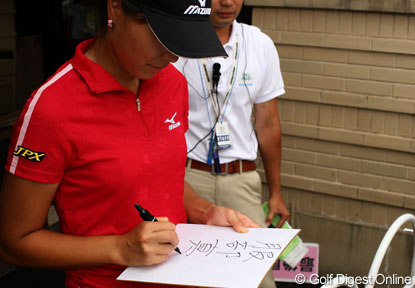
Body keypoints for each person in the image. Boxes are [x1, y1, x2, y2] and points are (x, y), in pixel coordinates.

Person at [0, 1, 261, 288]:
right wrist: (120, 248)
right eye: (161, 38)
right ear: (114, 9)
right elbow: (15, 243)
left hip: (181, 275)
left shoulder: (172, 83)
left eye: (180, 43)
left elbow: (161, 177)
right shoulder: (52, 108)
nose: (171, 57)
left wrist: (203, 211)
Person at [173, 0, 291, 287]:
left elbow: (268, 123)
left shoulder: (259, 44)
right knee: (187, 273)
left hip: (241, 178)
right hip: (186, 178)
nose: (226, 2)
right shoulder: (175, 42)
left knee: (257, 277)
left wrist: (275, 192)